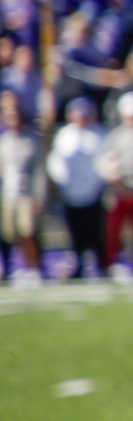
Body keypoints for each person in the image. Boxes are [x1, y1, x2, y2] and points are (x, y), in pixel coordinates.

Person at [46, 97, 108, 280]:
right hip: (71, 194)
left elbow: (104, 162)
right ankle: (79, 267)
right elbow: (56, 162)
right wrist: (62, 183)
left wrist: (99, 184)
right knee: (76, 234)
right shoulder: (64, 135)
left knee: (96, 234)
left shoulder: (99, 134)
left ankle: (102, 266)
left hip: (93, 193)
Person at [98, 90, 133, 277]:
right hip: (119, 191)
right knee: (115, 231)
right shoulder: (115, 137)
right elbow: (105, 162)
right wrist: (112, 174)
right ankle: (114, 263)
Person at [0, 89, 42, 280]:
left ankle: (34, 268)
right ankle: (19, 267)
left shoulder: (30, 140)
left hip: (26, 192)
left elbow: (38, 171)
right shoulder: (4, 141)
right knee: (11, 233)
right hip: (8, 192)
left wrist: (38, 196)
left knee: (27, 232)